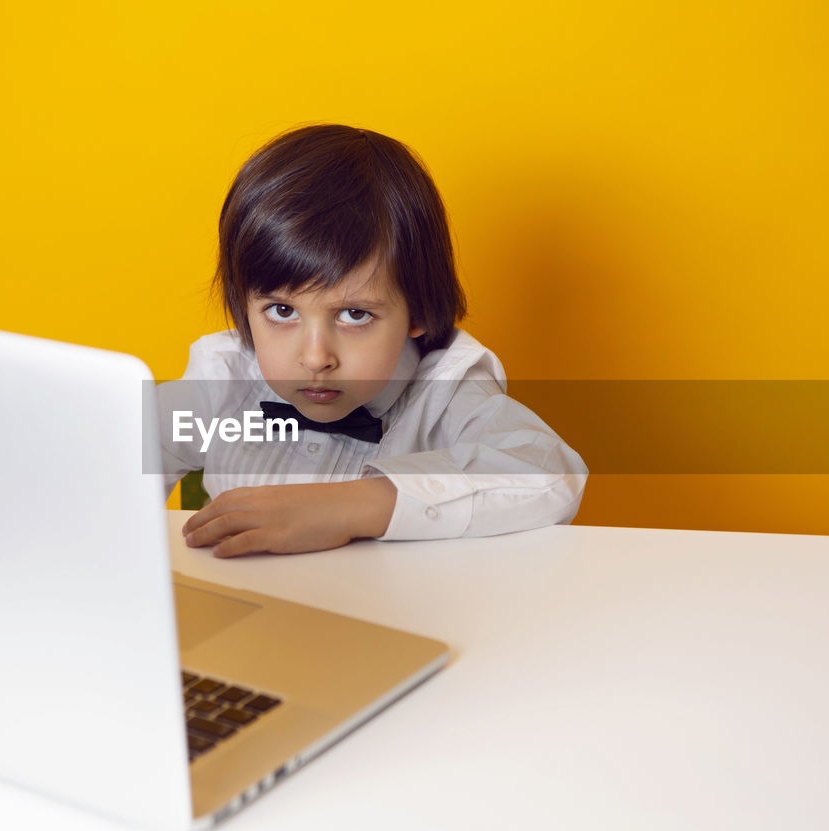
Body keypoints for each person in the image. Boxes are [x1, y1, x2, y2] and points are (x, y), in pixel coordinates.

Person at [159, 124, 587, 558]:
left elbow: (552, 473)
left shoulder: (446, 393)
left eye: (354, 314)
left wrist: (351, 506)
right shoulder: (222, 381)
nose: (315, 357)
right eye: (282, 311)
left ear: (417, 310)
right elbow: (111, 456)